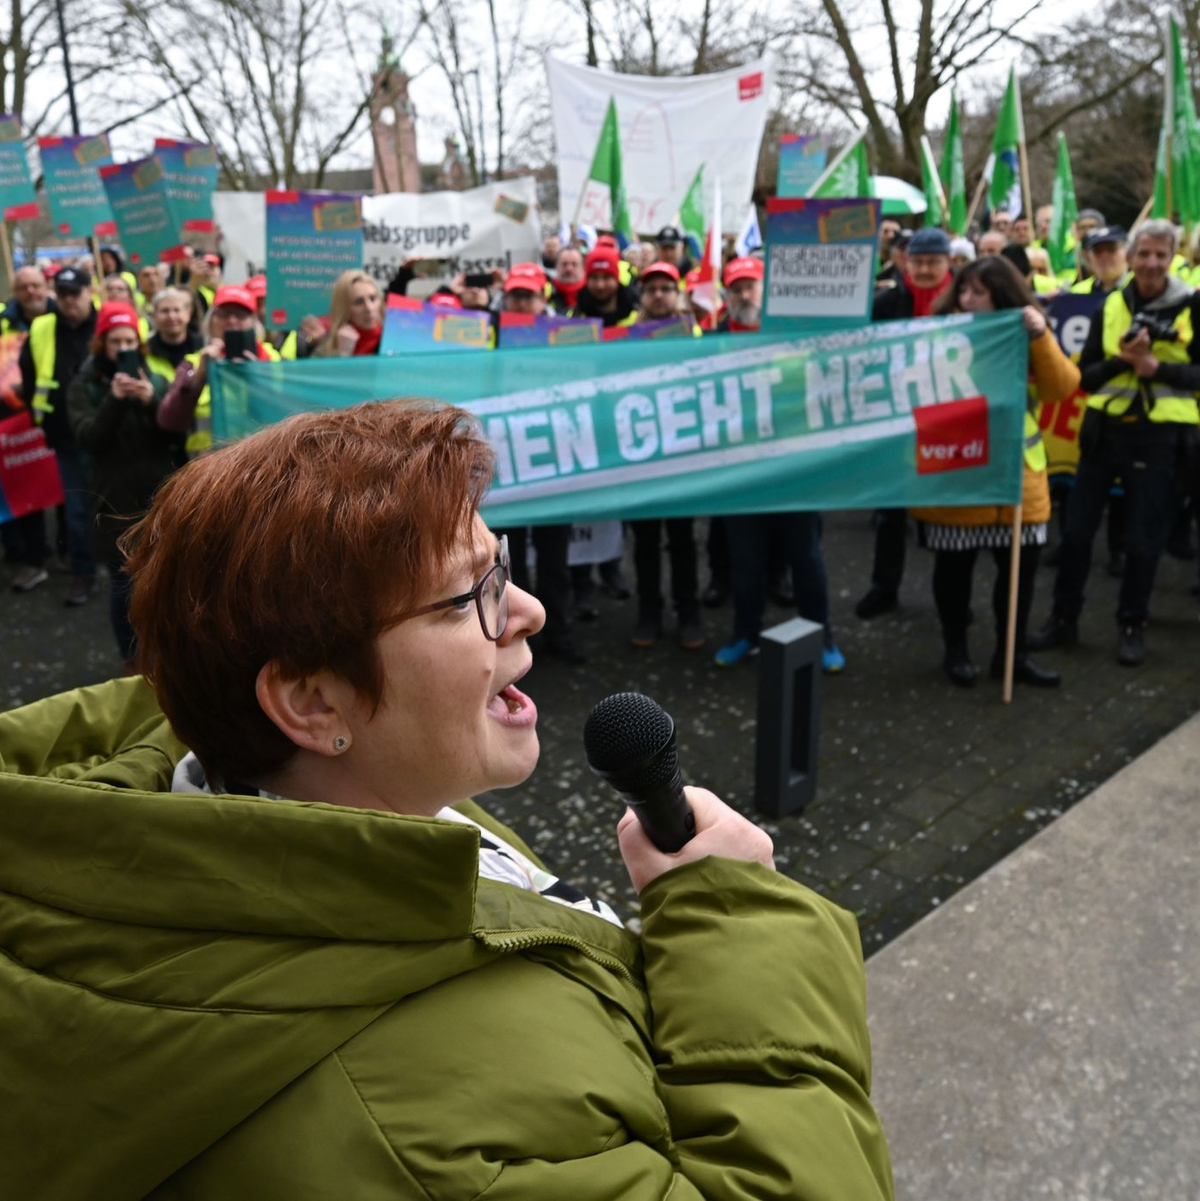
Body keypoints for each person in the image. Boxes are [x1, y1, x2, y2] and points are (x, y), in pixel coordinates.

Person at [0, 401, 894, 1199]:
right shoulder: (424, 1133)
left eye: (503, 567)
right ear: (314, 703)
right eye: (475, 594)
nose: (532, 609)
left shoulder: (358, 798)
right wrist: (738, 927)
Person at [1030, 219, 1200, 666]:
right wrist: (1123, 362)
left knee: (1143, 540)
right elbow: (1083, 376)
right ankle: (1063, 618)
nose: (1150, 263)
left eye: (1160, 255)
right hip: (1104, 432)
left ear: (1172, 256)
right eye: (1143, 254)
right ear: (1131, 256)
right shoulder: (1108, 305)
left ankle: (1131, 624)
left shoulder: (1191, 306)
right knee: (1078, 533)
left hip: (1161, 437)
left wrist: (1156, 369)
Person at [913, 257, 1079, 687]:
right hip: (959, 474)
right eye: (963, 290)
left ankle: (1013, 656)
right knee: (953, 573)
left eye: (979, 292)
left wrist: (1039, 335)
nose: (967, 299)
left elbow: (1061, 387)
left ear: (1003, 296)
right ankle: (956, 650)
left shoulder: (1027, 332)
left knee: (1018, 579)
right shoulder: (937, 336)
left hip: (1017, 478)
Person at [65, 301, 181, 670]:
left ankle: (167, 655)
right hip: (112, 499)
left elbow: (174, 434)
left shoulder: (154, 378)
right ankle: (131, 659)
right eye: (115, 341)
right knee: (123, 587)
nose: (123, 349)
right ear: (102, 344)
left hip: (157, 494)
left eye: (129, 340)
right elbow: (89, 438)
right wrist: (114, 401)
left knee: (164, 581)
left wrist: (153, 401)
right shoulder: (85, 385)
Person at [857, 227, 954, 620]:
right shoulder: (886, 303)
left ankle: (951, 598)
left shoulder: (966, 303)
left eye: (933, 262)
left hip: (948, 422)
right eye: (918, 262)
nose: (925, 269)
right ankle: (884, 588)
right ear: (906, 262)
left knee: (948, 519)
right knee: (890, 514)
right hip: (896, 420)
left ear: (949, 263)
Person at [495, 261, 583, 665]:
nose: (521, 302)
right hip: (507, 468)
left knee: (555, 559)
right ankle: (516, 638)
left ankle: (560, 633)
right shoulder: (491, 339)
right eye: (515, 295)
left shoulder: (564, 339)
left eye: (528, 295)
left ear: (542, 299)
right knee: (508, 564)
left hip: (553, 465)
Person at [9, 266, 98, 601]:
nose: (69, 300)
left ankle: (127, 570)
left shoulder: (104, 324)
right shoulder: (43, 327)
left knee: (118, 503)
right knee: (75, 508)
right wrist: (41, 420)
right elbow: (31, 376)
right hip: (64, 435)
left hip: (106, 434)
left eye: (75, 293)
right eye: (62, 294)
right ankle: (82, 571)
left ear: (90, 292)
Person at [157, 284, 281, 457]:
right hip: (208, 468)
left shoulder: (274, 360)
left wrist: (256, 378)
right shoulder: (194, 363)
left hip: (262, 464)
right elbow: (169, 421)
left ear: (253, 322)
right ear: (211, 321)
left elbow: (287, 413)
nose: (231, 321)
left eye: (240, 315)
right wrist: (198, 378)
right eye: (223, 315)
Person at [317, 269, 383, 357]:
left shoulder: (394, 338)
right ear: (344, 308)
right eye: (358, 302)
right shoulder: (328, 346)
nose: (369, 308)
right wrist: (342, 354)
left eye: (372, 298)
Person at [568, 246, 638, 328]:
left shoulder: (639, 318)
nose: (600, 285)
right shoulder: (573, 318)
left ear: (617, 279)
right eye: (594, 277)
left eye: (607, 277)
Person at [143, 288, 204, 381]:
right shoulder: (144, 351)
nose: (171, 316)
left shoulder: (204, 349)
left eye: (176, 310)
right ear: (154, 316)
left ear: (187, 314)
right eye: (165, 311)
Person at [0, 265, 55, 334]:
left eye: (35, 285)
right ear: (14, 291)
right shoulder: (3, 318)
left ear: (46, 287)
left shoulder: (62, 315)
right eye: (23, 287)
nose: (30, 291)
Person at [550, 245, 586, 311]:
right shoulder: (546, 294)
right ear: (556, 267)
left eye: (574, 264)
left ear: (583, 268)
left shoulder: (591, 295)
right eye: (564, 264)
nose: (569, 269)